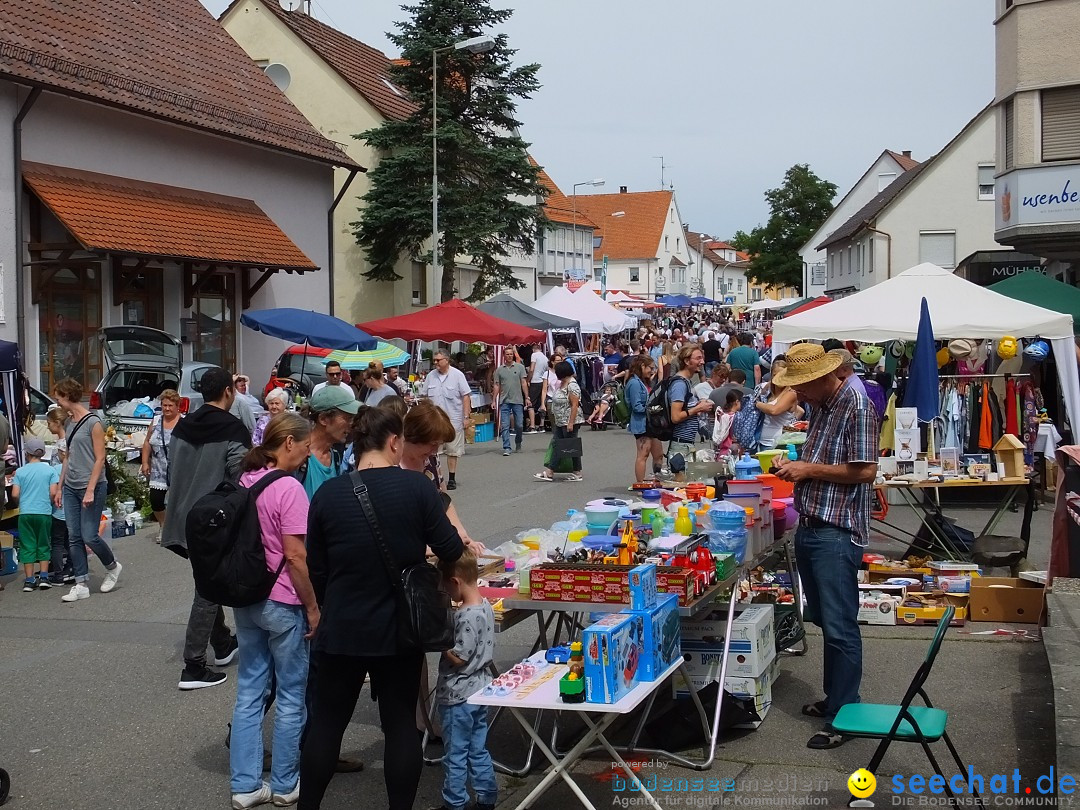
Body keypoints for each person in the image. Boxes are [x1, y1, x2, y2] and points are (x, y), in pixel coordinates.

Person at [299, 407, 464, 810]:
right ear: (394, 442)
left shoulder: (328, 494)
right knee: (400, 726)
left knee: (326, 723)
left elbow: (316, 566)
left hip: (342, 625)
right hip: (398, 628)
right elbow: (451, 548)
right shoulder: (417, 489)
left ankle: (308, 806)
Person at [772, 343, 878, 750]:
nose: (799, 394)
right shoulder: (824, 404)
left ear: (821, 377)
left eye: (802, 386)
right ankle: (836, 699)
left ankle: (846, 711)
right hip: (814, 524)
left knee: (839, 627)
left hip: (835, 530)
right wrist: (797, 467)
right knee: (824, 619)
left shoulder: (856, 404)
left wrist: (807, 468)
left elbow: (866, 470)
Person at [229, 413, 319, 810]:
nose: (306, 453)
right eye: (304, 445)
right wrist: (313, 607)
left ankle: (246, 786)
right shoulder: (290, 489)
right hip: (283, 599)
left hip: (246, 597)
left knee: (250, 691)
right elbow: (296, 555)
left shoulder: (244, 480)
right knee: (291, 694)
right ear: (287, 444)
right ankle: (285, 782)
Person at [162, 366, 251, 689]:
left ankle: (223, 642)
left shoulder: (183, 426)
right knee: (207, 590)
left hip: (182, 514)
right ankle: (194, 663)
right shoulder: (233, 428)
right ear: (229, 391)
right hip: (213, 518)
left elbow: (173, 467)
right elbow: (239, 473)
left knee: (204, 580)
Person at [434, 549, 497, 810]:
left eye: (446, 589)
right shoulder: (485, 607)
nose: (447, 595)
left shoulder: (466, 617)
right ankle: (487, 795)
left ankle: (455, 802)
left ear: (455, 582)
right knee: (477, 748)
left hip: (458, 695)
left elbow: (459, 657)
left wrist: (439, 639)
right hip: (480, 690)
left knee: (456, 754)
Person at [52, 378, 123, 603]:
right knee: (73, 535)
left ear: (67, 397)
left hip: (91, 484)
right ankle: (81, 582)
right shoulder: (70, 422)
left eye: (58, 398)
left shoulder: (94, 422)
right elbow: (69, 457)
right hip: (72, 485)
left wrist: (91, 489)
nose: (57, 403)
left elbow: (100, 457)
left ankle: (112, 566)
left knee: (89, 535)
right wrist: (60, 486)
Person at [12, 437, 58, 591]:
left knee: (27, 545)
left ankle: (29, 580)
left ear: (27, 453)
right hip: (44, 512)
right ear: (43, 452)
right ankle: (44, 577)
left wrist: (21, 503)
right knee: (44, 543)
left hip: (25, 513)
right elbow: (53, 492)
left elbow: (14, 494)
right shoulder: (50, 470)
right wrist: (49, 502)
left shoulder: (20, 471)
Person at [422, 349, 472, 490]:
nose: (435, 363)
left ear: (447, 360)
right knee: (431, 450)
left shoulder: (457, 375)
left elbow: (466, 396)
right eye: (434, 360)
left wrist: (466, 417)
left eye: (438, 360)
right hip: (434, 421)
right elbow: (425, 396)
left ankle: (451, 478)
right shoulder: (431, 376)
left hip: (453, 419)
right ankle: (431, 477)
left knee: (452, 450)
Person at [301, 386, 359, 501]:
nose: (351, 424)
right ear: (323, 419)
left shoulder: (336, 457)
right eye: (347, 418)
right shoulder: (299, 458)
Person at [667, 344, 714, 480]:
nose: (702, 362)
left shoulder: (685, 382)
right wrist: (698, 408)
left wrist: (697, 406)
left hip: (685, 444)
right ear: (687, 361)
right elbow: (675, 417)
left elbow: (685, 410)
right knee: (681, 487)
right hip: (680, 445)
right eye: (698, 358)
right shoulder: (680, 384)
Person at [140, 388, 182, 542]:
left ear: (177, 406)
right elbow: (147, 442)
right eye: (164, 405)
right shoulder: (157, 421)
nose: (167, 408)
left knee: (179, 502)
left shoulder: (183, 422)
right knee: (156, 500)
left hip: (179, 469)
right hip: (158, 468)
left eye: (170, 405)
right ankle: (163, 526)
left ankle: (179, 529)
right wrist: (145, 462)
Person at [535, 360, 584, 482]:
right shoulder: (562, 383)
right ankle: (552, 471)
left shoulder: (572, 385)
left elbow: (574, 405)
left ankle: (574, 472)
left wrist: (571, 423)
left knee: (570, 447)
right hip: (560, 420)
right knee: (559, 444)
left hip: (569, 421)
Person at [44, 408, 73, 586]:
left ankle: (60, 572)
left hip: (61, 494)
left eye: (49, 423)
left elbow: (64, 468)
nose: (47, 427)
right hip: (66, 494)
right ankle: (71, 567)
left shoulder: (63, 445)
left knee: (58, 539)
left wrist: (57, 489)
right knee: (69, 537)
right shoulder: (65, 442)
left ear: (57, 423)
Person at [626, 355, 664, 483]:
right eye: (650, 368)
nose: (652, 371)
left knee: (658, 454)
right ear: (642, 366)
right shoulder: (634, 383)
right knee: (643, 455)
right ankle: (640, 484)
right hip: (641, 423)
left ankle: (656, 478)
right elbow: (636, 407)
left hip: (651, 423)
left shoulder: (643, 381)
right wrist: (653, 409)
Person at [755, 360, 804, 450]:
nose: (779, 378)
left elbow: (774, 410)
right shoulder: (768, 391)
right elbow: (800, 410)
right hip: (761, 442)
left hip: (778, 444)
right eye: (775, 375)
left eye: (782, 375)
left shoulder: (791, 393)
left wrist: (757, 404)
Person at [493, 346, 529, 457]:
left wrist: (527, 397)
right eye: (507, 354)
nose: (509, 356)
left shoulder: (519, 367)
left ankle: (518, 441)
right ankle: (507, 447)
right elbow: (496, 385)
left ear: (513, 355)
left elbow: (523, 382)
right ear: (504, 355)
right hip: (504, 400)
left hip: (518, 400)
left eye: (511, 354)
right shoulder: (499, 370)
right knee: (505, 425)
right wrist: (494, 400)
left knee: (519, 425)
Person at [711, 391, 741, 457]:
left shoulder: (723, 415)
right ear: (736, 402)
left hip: (722, 450)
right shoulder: (736, 417)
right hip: (732, 451)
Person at [526, 343, 548, 433]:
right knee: (541, 403)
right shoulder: (545, 358)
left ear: (533, 349)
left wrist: (528, 379)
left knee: (531, 403)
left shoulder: (534, 355)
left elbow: (531, 369)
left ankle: (532, 425)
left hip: (534, 381)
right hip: (542, 381)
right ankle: (541, 425)